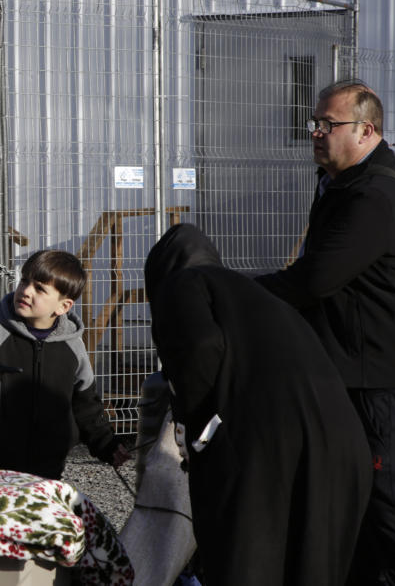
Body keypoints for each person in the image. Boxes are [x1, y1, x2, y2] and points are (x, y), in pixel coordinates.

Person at [256, 80, 395, 585]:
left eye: (329, 124)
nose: (316, 132)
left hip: (382, 382)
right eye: (315, 123)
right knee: (359, 509)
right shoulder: (340, 183)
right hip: (353, 373)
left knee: (392, 508)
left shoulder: (374, 195)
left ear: (366, 130)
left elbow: (317, 279)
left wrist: (234, 292)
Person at [145, 223, 372, 586]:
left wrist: (198, 428)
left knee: (249, 559)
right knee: (312, 564)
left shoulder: (183, 284)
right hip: (344, 443)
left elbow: (201, 349)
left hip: (267, 446)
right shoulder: (257, 295)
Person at [0, 249, 129, 480]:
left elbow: (86, 404)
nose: (26, 291)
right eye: (24, 281)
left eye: (40, 288)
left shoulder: (73, 347)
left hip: (49, 467)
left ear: (63, 306)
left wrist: (107, 445)